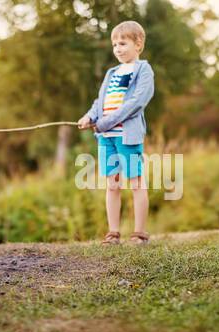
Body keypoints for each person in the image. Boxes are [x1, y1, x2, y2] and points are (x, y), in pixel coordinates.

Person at [78, 21, 156, 245]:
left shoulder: (143, 70)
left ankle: (140, 233)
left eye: (123, 43)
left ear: (138, 44)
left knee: (136, 182)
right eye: (114, 45)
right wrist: (90, 117)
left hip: (127, 136)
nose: (118, 49)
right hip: (107, 138)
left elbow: (136, 102)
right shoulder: (111, 72)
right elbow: (99, 102)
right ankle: (113, 233)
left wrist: (106, 122)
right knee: (112, 184)